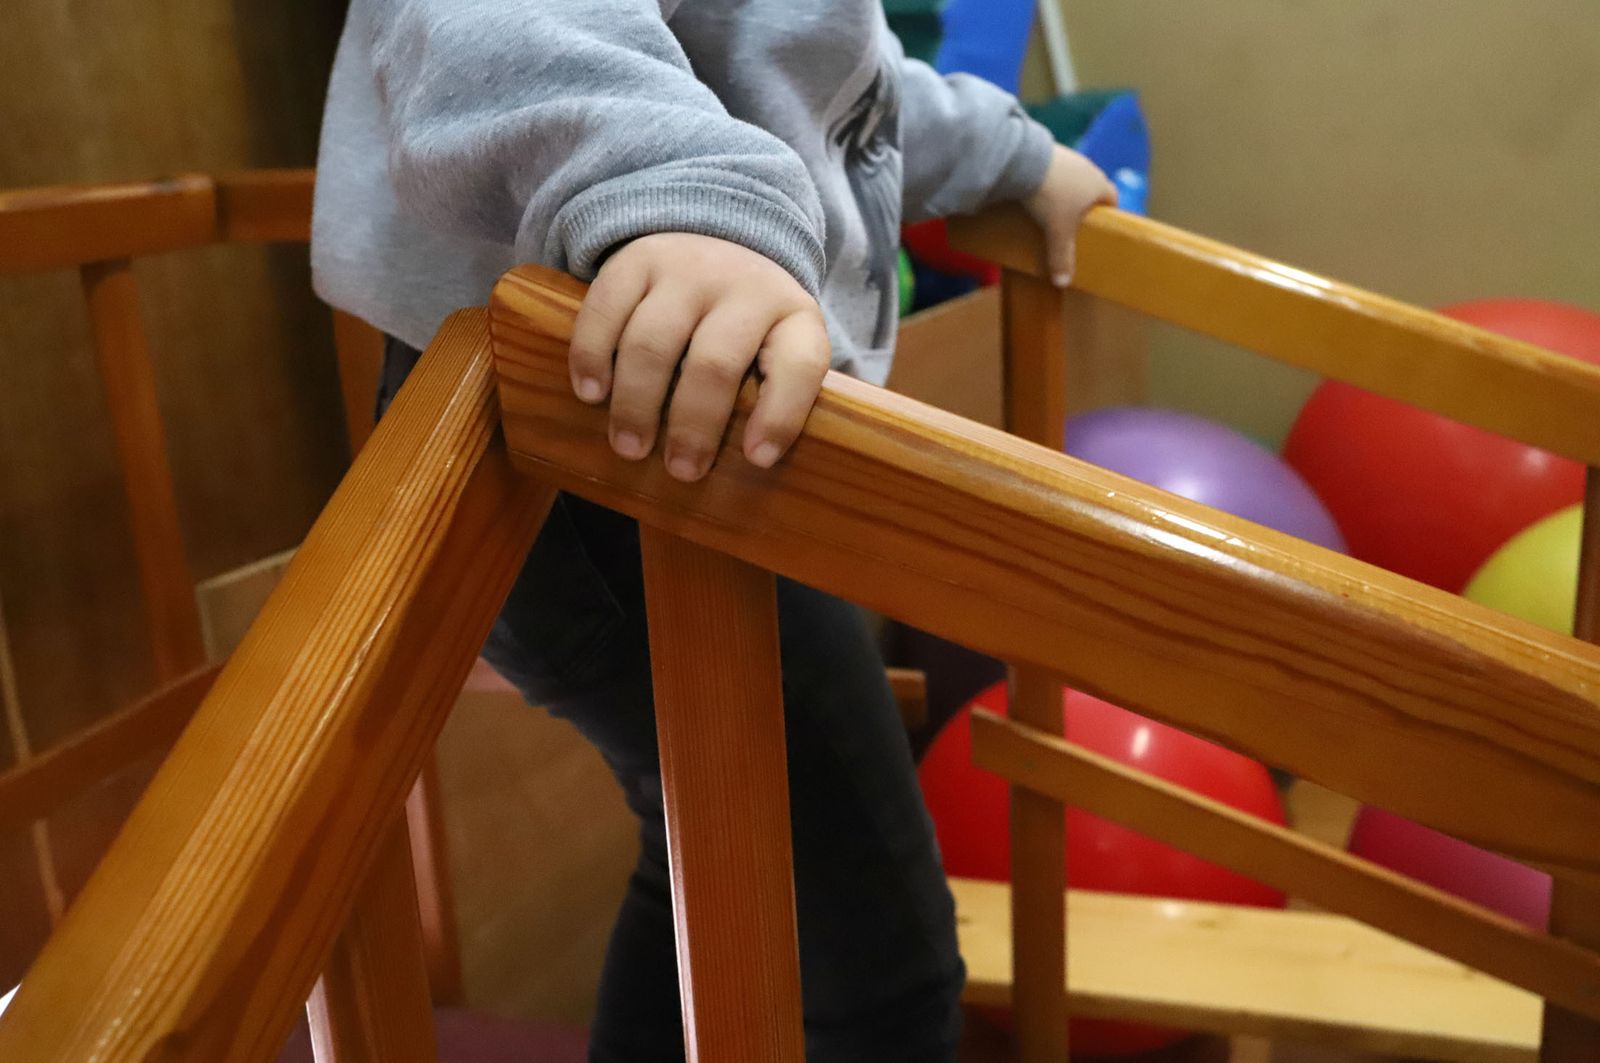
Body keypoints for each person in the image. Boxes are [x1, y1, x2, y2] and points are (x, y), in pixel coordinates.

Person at [312, 2, 1113, 1059]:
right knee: (883, 971)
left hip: (665, 429)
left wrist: (1008, 151)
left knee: (701, 838)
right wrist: (675, 197)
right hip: (604, 425)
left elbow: (820, 86)